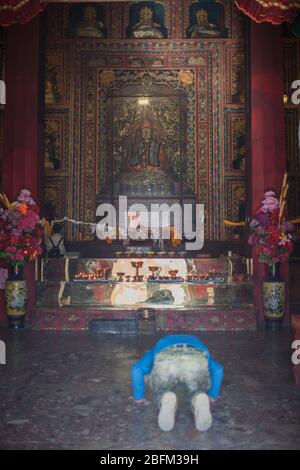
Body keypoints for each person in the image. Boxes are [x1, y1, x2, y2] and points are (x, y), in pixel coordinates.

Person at [131, 334, 223, 432]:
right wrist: (213, 395)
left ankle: (165, 396)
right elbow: (218, 370)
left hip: (166, 358)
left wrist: (138, 397)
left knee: (160, 388)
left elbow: (137, 369)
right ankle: (198, 397)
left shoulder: (161, 344)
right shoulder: (198, 344)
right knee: (197, 387)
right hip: (195, 358)